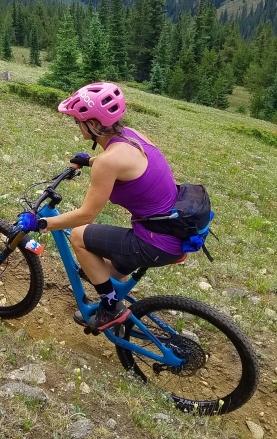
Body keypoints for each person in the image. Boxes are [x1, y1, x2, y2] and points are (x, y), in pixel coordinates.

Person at [18, 82, 183, 330]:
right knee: (105, 269)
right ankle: (111, 288)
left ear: (93, 124)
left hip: (155, 241)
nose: (76, 124)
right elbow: (124, 163)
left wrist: (41, 223)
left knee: (79, 236)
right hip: (175, 231)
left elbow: (86, 214)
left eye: (78, 120)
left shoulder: (108, 162)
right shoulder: (133, 135)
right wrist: (91, 161)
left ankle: (111, 308)